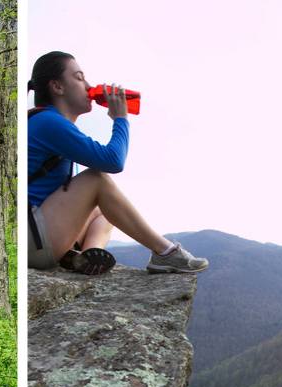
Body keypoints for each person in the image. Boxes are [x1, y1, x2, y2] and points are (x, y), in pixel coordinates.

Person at [27, 51, 208, 275]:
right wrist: (120, 119)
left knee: (106, 211)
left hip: (37, 234)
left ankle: (86, 257)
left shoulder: (47, 121)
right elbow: (113, 161)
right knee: (96, 179)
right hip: (33, 240)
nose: (88, 85)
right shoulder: (48, 122)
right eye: (79, 77)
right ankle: (166, 253)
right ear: (57, 87)